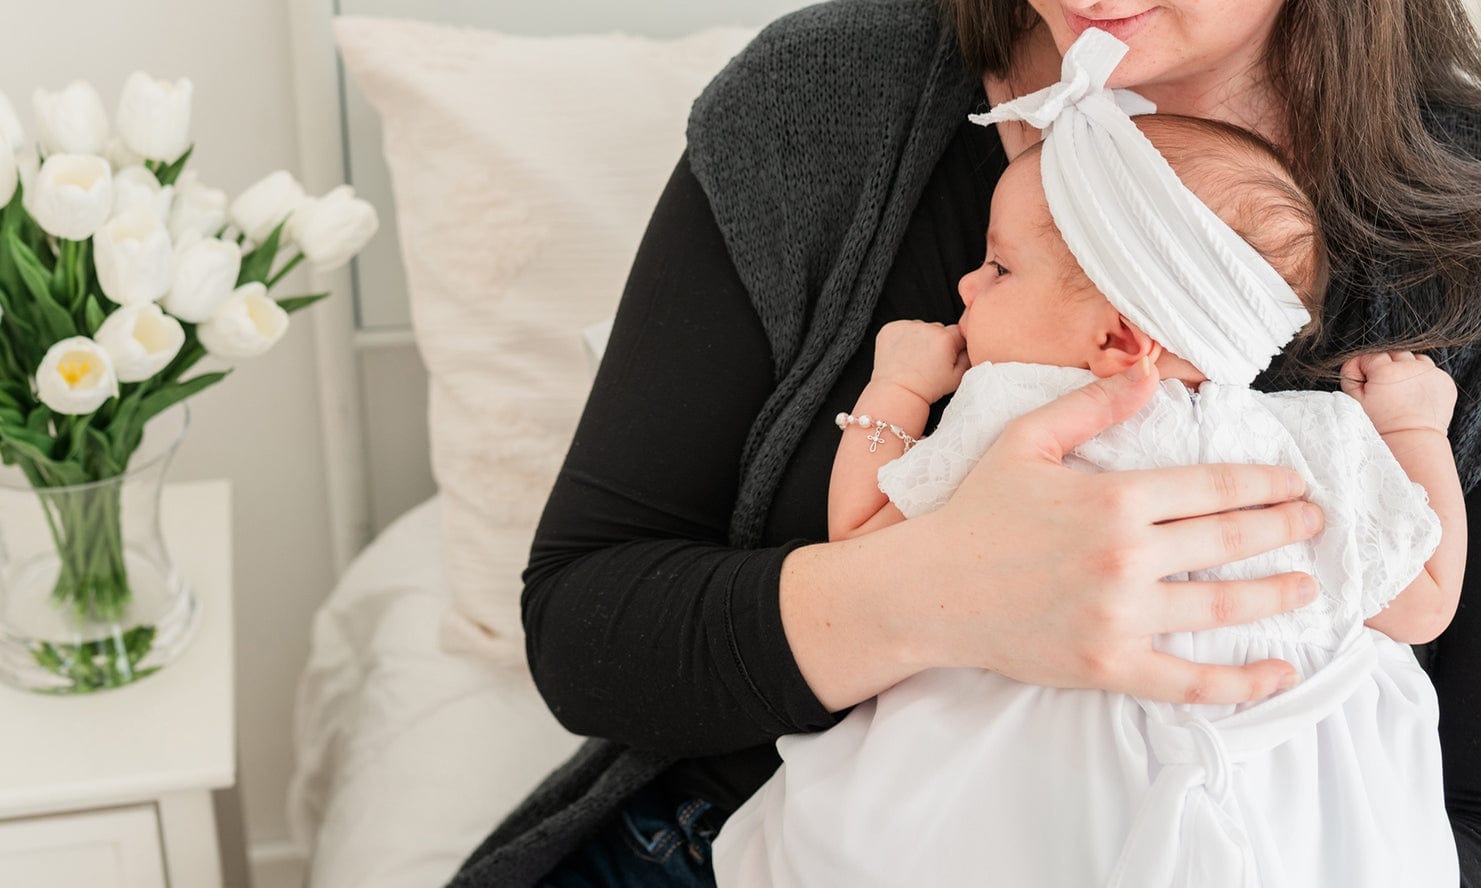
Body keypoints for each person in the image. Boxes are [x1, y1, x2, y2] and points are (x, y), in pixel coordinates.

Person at [447, 2, 1481, 886]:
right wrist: (931, 593)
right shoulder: (825, 102)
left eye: (997, 269)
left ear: (1124, 338)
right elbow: (586, 635)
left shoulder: (1460, 214)